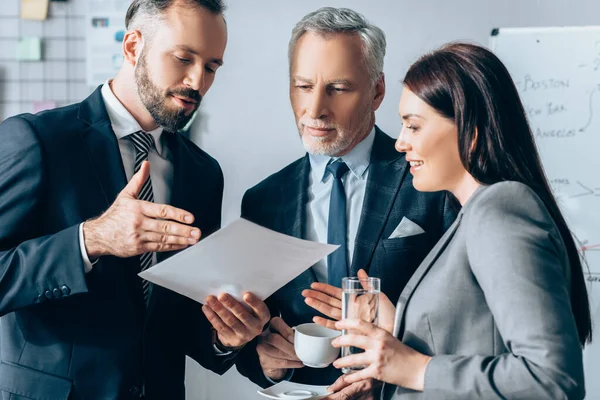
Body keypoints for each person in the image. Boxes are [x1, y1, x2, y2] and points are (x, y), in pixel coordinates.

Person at [0, 1, 270, 399]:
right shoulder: (37, 141)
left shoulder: (203, 173)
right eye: (183, 58)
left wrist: (226, 336)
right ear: (132, 47)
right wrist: (91, 240)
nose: (197, 81)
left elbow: (181, 318)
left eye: (211, 67)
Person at [319, 42, 591, 399]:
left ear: (470, 131)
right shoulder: (475, 214)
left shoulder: (500, 209)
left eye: (413, 127)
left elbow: (552, 379)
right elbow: (474, 340)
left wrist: (413, 368)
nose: (401, 143)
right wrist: (398, 327)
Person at [235, 7, 455, 399]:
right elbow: (255, 337)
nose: (315, 109)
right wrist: (263, 360)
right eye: (303, 86)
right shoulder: (262, 202)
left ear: (377, 91)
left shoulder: (433, 181)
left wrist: (395, 368)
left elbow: (467, 319)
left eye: (337, 88)